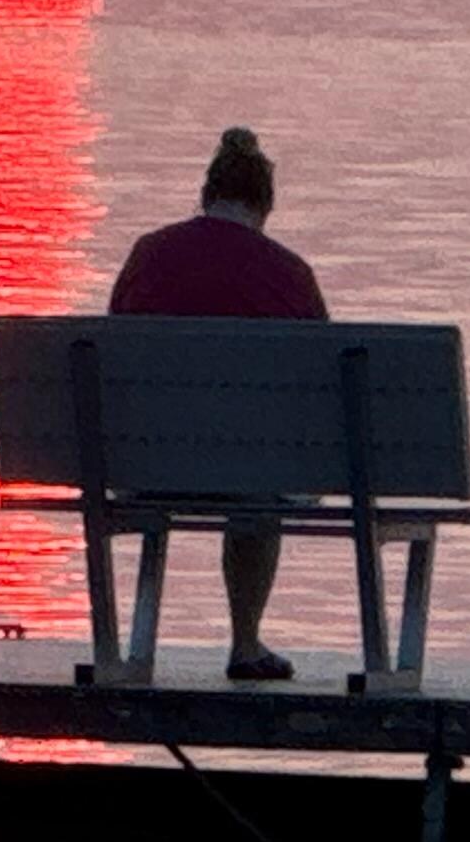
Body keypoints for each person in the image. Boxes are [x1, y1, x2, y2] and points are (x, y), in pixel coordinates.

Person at [108, 124, 324, 680]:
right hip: (252, 472)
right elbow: (320, 389)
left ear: (206, 194)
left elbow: (114, 361)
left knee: (239, 461)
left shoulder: (148, 256)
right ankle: (245, 644)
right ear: (265, 204)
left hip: (144, 465)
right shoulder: (290, 274)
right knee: (260, 479)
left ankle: (131, 648)